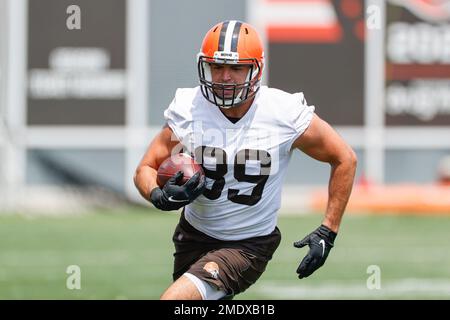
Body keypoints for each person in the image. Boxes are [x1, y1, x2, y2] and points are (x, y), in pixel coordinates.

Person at [134, 20, 357, 300]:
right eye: (217, 66)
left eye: (237, 68)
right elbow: (145, 168)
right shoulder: (189, 108)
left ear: (256, 70)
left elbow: (344, 158)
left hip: (248, 244)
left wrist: (328, 230)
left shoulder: (282, 113)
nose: (225, 76)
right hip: (193, 236)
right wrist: (158, 195)